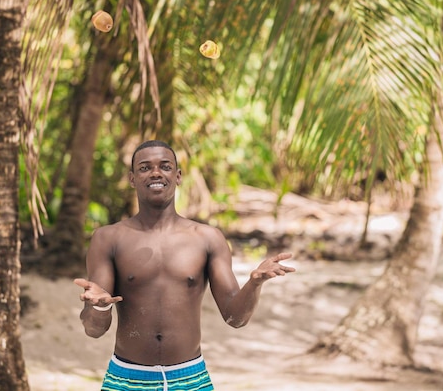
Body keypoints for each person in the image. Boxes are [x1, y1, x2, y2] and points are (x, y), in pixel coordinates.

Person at [74, 140, 295, 391]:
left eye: (165, 166)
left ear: (177, 176)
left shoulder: (207, 238)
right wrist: (100, 308)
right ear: (133, 179)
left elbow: (236, 318)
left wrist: (255, 283)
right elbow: (94, 329)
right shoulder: (108, 238)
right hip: (126, 378)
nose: (156, 173)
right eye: (145, 168)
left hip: (190, 379)